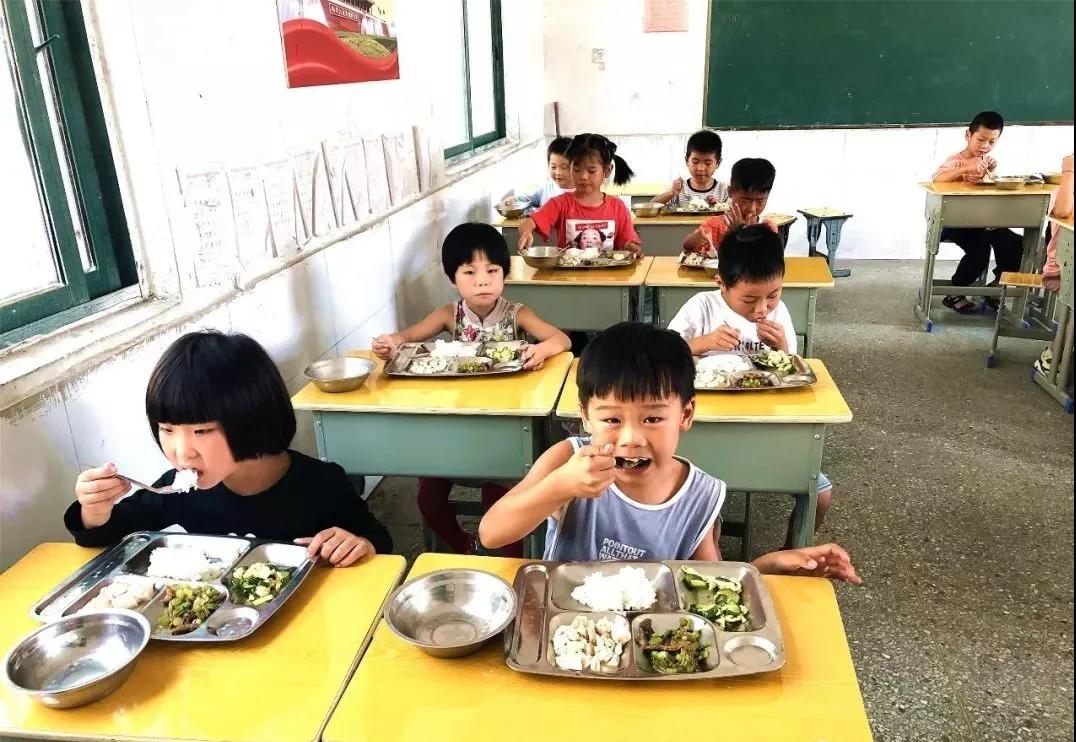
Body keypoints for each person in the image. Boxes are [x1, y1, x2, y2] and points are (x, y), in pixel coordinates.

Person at [479, 322, 860, 584]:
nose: (631, 438)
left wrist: (769, 567)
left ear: (686, 415)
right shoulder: (566, 461)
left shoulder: (699, 495)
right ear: (585, 417)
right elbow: (492, 533)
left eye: (653, 418)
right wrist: (559, 487)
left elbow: (712, 582)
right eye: (611, 419)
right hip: (567, 635)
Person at [68, 332, 392, 567]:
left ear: (251, 418)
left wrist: (358, 545)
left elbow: (380, 544)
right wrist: (95, 511)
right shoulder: (176, 492)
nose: (182, 452)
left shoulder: (321, 484)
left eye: (201, 431)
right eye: (167, 430)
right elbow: (107, 535)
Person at [373, 222, 571, 555]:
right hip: (456, 426)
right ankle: (467, 546)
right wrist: (389, 343)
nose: (482, 281)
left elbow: (560, 339)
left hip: (505, 427)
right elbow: (407, 337)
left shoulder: (516, 314)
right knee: (428, 498)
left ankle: (509, 566)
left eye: (492, 271)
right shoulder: (449, 315)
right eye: (469, 272)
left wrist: (541, 350)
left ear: (505, 274)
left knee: (503, 501)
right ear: (452, 279)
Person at [668, 226, 835, 540]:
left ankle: (791, 553)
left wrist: (783, 348)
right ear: (721, 283)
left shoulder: (778, 313)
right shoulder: (702, 306)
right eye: (749, 299)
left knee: (821, 494)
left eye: (773, 295)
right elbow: (663, 351)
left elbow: (794, 371)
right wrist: (703, 342)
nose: (762, 308)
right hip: (705, 430)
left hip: (764, 428)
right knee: (704, 514)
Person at [932, 111, 1023, 314]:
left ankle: (995, 288)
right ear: (968, 135)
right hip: (957, 222)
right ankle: (956, 291)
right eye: (981, 140)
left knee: (1015, 244)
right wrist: (966, 167)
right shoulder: (955, 160)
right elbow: (936, 180)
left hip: (984, 221)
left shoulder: (985, 162)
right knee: (979, 252)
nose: (985, 146)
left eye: (992, 142)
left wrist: (991, 174)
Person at [516, 133, 642, 254]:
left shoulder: (618, 207)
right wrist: (526, 231)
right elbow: (527, 222)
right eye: (576, 170)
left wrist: (631, 247)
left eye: (591, 171)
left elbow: (627, 243)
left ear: (607, 170)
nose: (583, 177)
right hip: (566, 270)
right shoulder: (559, 204)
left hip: (609, 270)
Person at [682, 158, 778, 258]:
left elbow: (765, 260)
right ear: (730, 192)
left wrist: (739, 233)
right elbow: (688, 246)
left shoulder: (768, 227)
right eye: (745, 200)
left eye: (760, 201)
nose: (752, 209)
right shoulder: (715, 225)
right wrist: (693, 240)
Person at [1035, 152, 1074, 376]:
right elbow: (1062, 211)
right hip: (1063, 267)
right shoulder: (1066, 188)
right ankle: (1053, 355)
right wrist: (1069, 170)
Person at [651, 129, 729, 208]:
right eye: (695, 162)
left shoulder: (724, 190)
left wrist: (719, 206)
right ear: (687, 161)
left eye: (708, 163)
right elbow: (652, 205)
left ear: (718, 163)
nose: (701, 168)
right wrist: (671, 193)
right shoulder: (679, 188)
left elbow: (733, 211)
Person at [503, 136, 573, 213]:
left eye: (564, 167)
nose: (558, 172)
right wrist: (515, 200)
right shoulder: (547, 189)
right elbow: (529, 199)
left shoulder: (581, 194)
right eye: (553, 167)